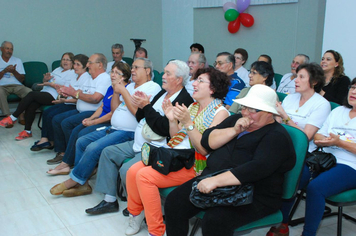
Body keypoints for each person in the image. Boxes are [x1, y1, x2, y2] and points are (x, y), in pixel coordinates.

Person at [164, 84, 296, 236]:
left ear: (269, 113)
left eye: (252, 109)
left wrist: (216, 181)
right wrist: (234, 131)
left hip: (255, 194)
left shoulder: (276, 137)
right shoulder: (236, 120)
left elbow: (256, 168)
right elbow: (207, 142)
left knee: (215, 220)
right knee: (174, 202)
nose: (245, 113)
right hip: (215, 181)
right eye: (244, 107)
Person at [125, 67, 230, 236]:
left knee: (144, 177)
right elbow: (176, 137)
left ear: (213, 89)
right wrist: (172, 120)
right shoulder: (194, 107)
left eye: (200, 81)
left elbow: (204, 149)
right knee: (132, 171)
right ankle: (136, 215)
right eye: (195, 80)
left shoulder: (221, 113)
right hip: (178, 156)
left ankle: (156, 231)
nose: (194, 84)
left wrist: (188, 123)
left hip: (196, 165)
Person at [85, 60, 194, 216]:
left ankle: (137, 205)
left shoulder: (184, 100)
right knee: (107, 153)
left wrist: (147, 106)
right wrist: (142, 105)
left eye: (168, 73)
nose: (163, 75)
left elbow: (164, 129)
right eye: (164, 71)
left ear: (178, 80)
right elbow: (140, 116)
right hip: (139, 141)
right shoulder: (163, 92)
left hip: (155, 147)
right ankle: (109, 200)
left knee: (126, 169)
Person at [49, 58, 161, 197]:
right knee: (82, 141)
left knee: (93, 147)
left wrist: (123, 92)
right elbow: (115, 109)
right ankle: (83, 184)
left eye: (136, 67)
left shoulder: (152, 87)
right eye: (132, 67)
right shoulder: (131, 86)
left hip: (128, 132)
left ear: (147, 70)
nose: (132, 70)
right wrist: (116, 92)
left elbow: (137, 114)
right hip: (113, 128)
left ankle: (74, 180)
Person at [267, 79, 356, 236]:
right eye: (353, 87)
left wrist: (339, 143)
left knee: (316, 188)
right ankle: (283, 224)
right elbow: (319, 135)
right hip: (325, 158)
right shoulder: (339, 111)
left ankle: (308, 234)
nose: (353, 92)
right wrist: (325, 140)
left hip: (350, 165)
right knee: (294, 176)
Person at [44, 62, 130, 175]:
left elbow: (112, 114)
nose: (113, 75)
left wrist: (94, 122)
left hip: (108, 122)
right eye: (112, 72)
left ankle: (76, 166)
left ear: (123, 76)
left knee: (81, 134)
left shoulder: (126, 89)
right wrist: (90, 118)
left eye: (117, 73)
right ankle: (68, 163)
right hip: (100, 117)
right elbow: (102, 106)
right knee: (75, 130)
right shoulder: (111, 87)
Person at [45, 53, 111, 164]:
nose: (88, 65)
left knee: (67, 123)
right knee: (57, 119)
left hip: (92, 112)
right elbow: (79, 92)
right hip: (80, 109)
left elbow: (95, 99)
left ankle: (69, 156)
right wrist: (66, 92)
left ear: (99, 65)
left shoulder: (105, 78)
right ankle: (64, 151)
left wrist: (74, 93)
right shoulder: (90, 78)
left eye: (90, 62)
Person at [0, 52, 76, 140]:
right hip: (45, 91)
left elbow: (66, 89)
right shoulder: (58, 69)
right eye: (63, 59)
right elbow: (46, 81)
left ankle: (13, 117)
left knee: (31, 94)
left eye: (68, 60)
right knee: (31, 105)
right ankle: (27, 131)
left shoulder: (72, 73)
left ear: (72, 62)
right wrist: (45, 79)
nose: (65, 61)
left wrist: (52, 85)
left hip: (54, 95)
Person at [30, 54, 90, 151]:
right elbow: (67, 91)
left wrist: (65, 99)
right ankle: (47, 139)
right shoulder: (75, 77)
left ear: (85, 66)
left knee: (54, 117)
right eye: (74, 64)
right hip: (68, 102)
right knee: (47, 112)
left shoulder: (86, 78)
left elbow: (79, 98)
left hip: (74, 105)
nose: (75, 67)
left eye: (78, 65)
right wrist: (62, 94)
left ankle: (58, 148)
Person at [276, 63, 331, 153]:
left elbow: (306, 136)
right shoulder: (290, 97)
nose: (296, 80)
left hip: (300, 149)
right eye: (296, 76)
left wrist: (284, 116)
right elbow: (279, 124)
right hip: (281, 141)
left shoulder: (322, 104)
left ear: (314, 82)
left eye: (301, 77)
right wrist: (276, 115)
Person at [0, 41, 29, 118]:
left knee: (29, 92)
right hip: (2, 86)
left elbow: (22, 79)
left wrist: (14, 71)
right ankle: (8, 117)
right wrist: (4, 71)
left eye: (11, 49)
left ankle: (21, 114)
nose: (9, 51)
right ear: (1, 49)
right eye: (7, 48)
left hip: (17, 85)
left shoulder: (17, 60)